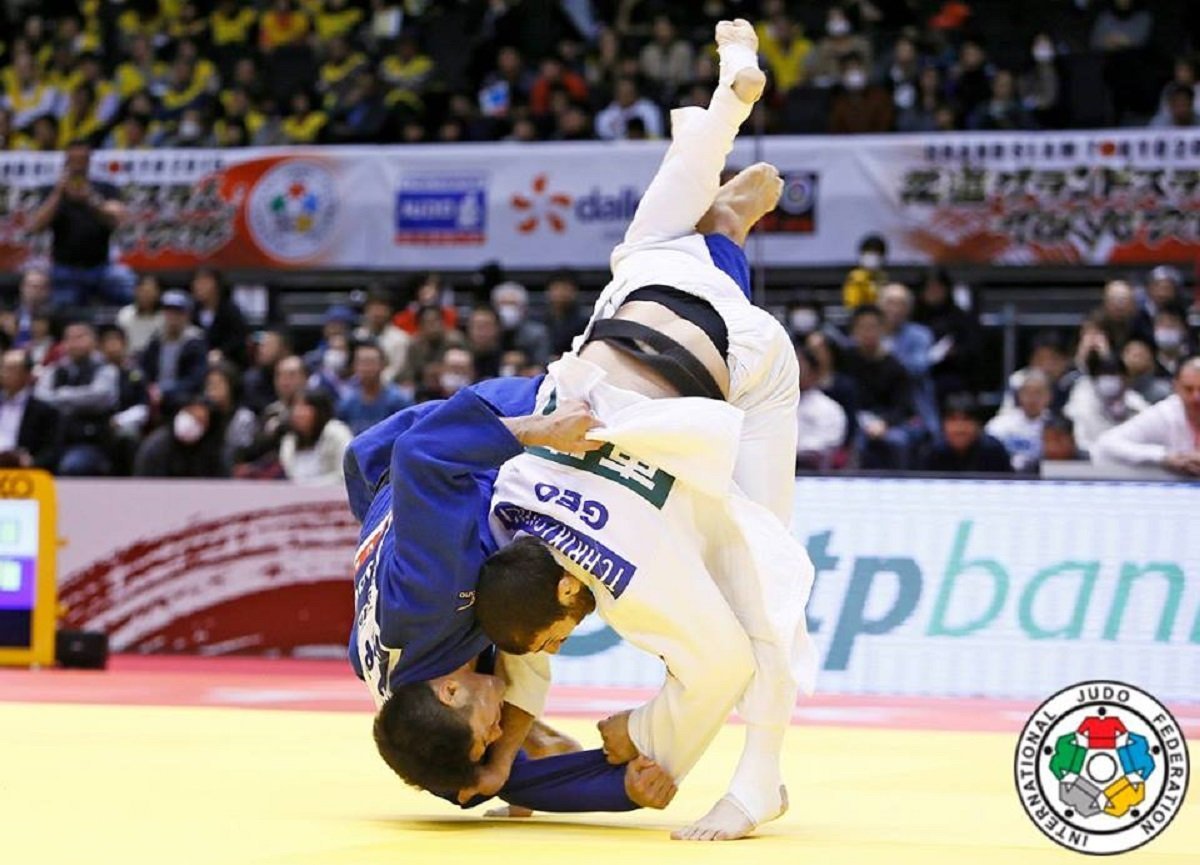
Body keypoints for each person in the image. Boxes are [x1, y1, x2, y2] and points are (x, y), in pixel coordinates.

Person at [357, 21, 808, 839]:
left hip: (665, 390)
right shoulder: (422, 695)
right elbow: (500, 771)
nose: (504, 729)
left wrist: (538, 428)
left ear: (452, 690)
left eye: (487, 732)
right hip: (635, 326)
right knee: (653, 255)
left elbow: (424, 458)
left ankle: (759, 778)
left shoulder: (428, 608)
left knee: (759, 583)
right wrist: (607, 784)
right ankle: (720, 211)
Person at [26, 141, 134, 307]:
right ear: (66, 161)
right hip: (64, 268)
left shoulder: (105, 188)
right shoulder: (51, 190)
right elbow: (36, 226)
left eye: (82, 160)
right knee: (61, 307)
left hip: (101, 267)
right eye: (74, 160)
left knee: (127, 286)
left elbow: (118, 219)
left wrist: (91, 199)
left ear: (89, 161)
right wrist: (58, 193)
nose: (78, 165)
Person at [33, 321, 119, 476]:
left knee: (71, 466)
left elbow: (99, 397)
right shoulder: (54, 369)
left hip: (89, 441)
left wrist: (61, 395)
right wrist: (77, 400)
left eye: (80, 337)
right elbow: (40, 398)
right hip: (53, 440)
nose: (74, 343)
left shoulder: (106, 369)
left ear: (93, 341)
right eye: (69, 338)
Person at [1092, 357, 1200, 477]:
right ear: (1176, 387)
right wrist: (1163, 456)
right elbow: (1105, 445)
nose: (1196, 397)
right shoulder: (1164, 413)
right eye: (1188, 389)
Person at [843, 305, 920, 469]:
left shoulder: (896, 367)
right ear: (854, 331)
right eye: (862, 327)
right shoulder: (844, 361)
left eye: (873, 327)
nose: (868, 332)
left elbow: (903, 407)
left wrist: (884, 423)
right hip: (853, 422)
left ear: (883, 329)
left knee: (898, 441)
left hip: (887, 423)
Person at [1064, 352, 1149, 457]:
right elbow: (1082, 439)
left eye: (1114, 374)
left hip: (1126, 456)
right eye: (1104, 374)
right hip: (1089, 454)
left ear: (1125, 377)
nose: (1109, 379)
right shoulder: (1083, 397)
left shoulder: (1133, 400)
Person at [140, 290, 208, 417]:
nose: (173, 317)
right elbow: (144, 369)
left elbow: (195, 379)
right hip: (153, 397)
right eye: (169, 312)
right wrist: (150, 388)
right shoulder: (156, 340)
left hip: (183, 400)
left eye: (178, 313)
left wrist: (166, 391)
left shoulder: (195, 342)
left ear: (187, 315)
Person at [918, 392, 1013, 473]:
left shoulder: (994, 452)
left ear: (978, 425)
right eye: (953, 420)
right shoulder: (932, 452)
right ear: (943, 425)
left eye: (966, 420)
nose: (959, 428)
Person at [133, 397, 228, 478]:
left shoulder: (212, 453)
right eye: (189, 413)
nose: (191, 422)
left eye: (200, 420)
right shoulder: (156, 446)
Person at [0, 348, 61, 470]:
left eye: (11, 369)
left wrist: (32, 462)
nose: (3, 373)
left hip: (24, 469)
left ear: (27, 375)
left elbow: (51, 450)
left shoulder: (45, 411)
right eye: (2, 368)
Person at [280, 389, 353, 485]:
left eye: (304, 407)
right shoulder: (289, 441)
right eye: (295, 407)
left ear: (319, 410)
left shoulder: (337, 433)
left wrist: (309, 486)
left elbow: (347, 474)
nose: (298, 413)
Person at [336, 342, 411, 435]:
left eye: (371, 363)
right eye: (362, 363)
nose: (366, 368)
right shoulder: (347, 402)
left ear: (382, 365)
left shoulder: (398, 400)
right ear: (354, 366)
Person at [985, 370, 1051, 473]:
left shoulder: (1056, 425)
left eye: (1038, 393)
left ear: (1048, 396)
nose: (1032, 398)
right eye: (1028, 393)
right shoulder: (1000, 424)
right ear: (1019, 395)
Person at [794, 343, 847, 469]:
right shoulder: (770, 405)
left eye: (800, 367)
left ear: (814, 373)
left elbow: (828, 442)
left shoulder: (828, 408)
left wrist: (792, 449)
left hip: (812, 470)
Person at [190, 267, 249, 367]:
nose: (198, 287)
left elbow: (238, 338)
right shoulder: (193, 310)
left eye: (204, 283)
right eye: (196, 282)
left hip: (227, 361)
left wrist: (221, 351)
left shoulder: (230, 310)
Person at [116, 274, 164, 355]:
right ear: (136, 291)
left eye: (149, 292)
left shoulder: (164, 318)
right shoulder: (125, 314)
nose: (145, 295)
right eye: (142, 291)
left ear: (158, 294)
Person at [841, 234, 888, 308]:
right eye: (869, 253)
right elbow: (852, 304)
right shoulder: (855, 277)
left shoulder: (883, 277)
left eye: (877, 254)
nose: (873, 257)